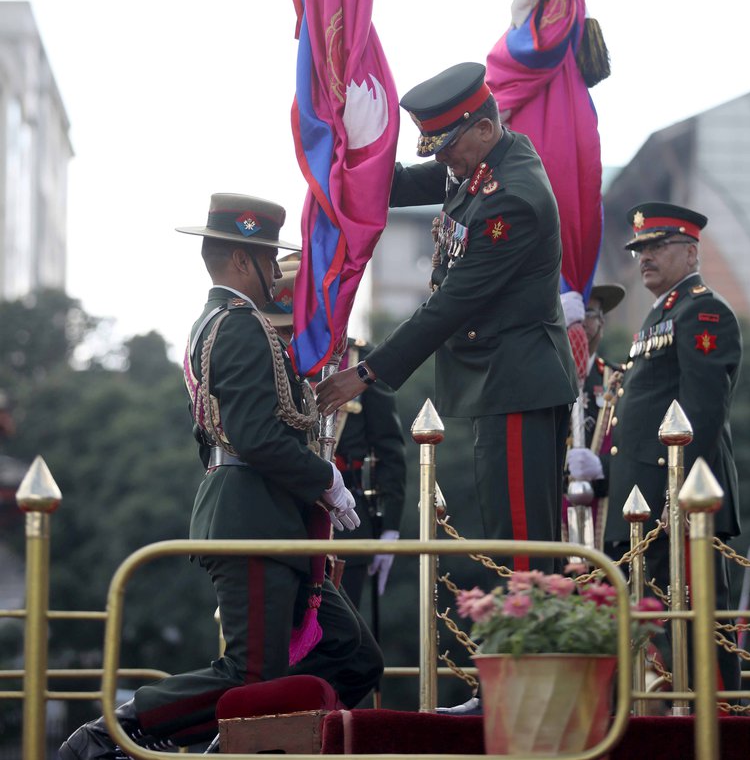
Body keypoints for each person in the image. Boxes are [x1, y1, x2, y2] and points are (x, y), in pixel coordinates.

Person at [59, 194, 382, 759]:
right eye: (264, 259)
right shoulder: (236, 328)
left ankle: (254, 743)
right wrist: (322, 478)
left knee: (352, 655)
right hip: (251, 516)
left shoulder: (231, 325)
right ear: (239, 260)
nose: (275, 278)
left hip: (268, 517)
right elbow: (253, 436)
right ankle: (121, 729)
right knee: (250, 675)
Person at [317, 63, 578, 574]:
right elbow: (391, 186)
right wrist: (341, 149)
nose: (443, 161)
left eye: (447, 146)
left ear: (483, 127)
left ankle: (531, 649)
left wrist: (367, 374)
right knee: (514, 538)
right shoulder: (483, 160)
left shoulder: (510, 200)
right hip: (500, 379)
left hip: (517, 380)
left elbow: (453, 303)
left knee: (521, 547)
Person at [604, 202, 742, 691]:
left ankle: (719, 726)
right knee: (651, 626)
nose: (644, 256)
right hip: (643, 501)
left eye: (656, 246)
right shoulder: (662, 314)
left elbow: (701, 415)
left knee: (694, 625)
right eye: (639, 248)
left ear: (690, 252)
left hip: (675, 503)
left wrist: (676, 496)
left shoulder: (702, 310)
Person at [264, 260, 407, 609]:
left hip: (347, 516)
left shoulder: (358, 359)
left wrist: (389, 525)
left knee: (344, 632)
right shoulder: (267, 360)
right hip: (283, 508)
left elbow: (389, 447)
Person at [564, 283, 627, 550]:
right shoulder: (539, 382)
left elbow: (639, 449)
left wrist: (603, 467)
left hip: (609, 519)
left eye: (589, 313)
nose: (581, 322)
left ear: (602, 323)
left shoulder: (621, 381)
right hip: (555, 517)